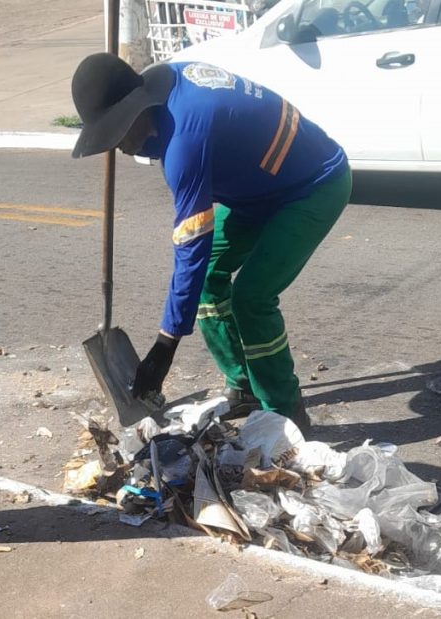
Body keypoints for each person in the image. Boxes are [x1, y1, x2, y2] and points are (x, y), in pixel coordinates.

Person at [71, 53, 351, 433]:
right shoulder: (164, 83)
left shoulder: (184, 139)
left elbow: (192, 249)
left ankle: (286, 416)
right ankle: (244, 386)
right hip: (257, 192)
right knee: (207, 280)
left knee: (251, 298)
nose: (116, 147)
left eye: (115, 133)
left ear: (135, 112)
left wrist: (164, 348)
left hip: (313, 185)